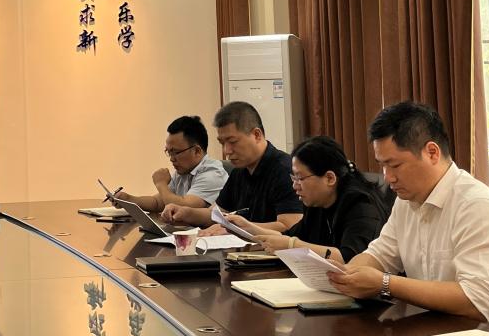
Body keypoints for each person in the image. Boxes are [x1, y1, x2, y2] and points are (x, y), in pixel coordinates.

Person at [328, 101, 489, 336]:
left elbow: (476, 302)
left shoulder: (476, 206)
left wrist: (385, 283)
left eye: (395, 165)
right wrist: (350, 274)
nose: (388, 177)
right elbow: (380, 255)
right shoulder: (406, 202)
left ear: (432, 152)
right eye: (382, 166)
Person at [228, 136, 390, 263]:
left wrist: (292, 245)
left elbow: (350, 258)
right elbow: (286, 236)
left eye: (300, 178)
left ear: (330, 178)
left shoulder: (361, 206)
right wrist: (247, 227)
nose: (295, 186)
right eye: (293, 178)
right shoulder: (317, 202)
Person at [161, 101, 303, 232]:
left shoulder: (285, 170)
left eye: (233, 142)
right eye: (222, 143)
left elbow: (289, 226)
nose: (226, 151)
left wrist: (233, 228)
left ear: (256, 135)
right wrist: (185, 212)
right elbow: (216, 214)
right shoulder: (239, 171)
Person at [113, 116, 227, 213]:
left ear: (197, 151)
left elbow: (183, 208)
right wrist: (128, 199)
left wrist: (161, 184)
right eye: (169, 152)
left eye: (176, 152)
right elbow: (158, 203)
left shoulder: (213, 174)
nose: (172, 159)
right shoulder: (184, 170)